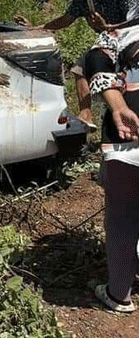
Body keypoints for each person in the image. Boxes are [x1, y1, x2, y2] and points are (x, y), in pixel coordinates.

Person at [42, 0, 139, 128]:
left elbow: (135, 21)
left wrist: (107, 26)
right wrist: (42, 28)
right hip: (109, 42)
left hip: (132, 38)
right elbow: (68, 18)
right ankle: (86, 114)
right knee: (80, 68)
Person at [85, 26, 139, 312]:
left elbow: (97, 61)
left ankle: (119, 293)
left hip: (128, 133)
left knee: (122, 214)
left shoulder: (121, 32)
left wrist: (117, 106)